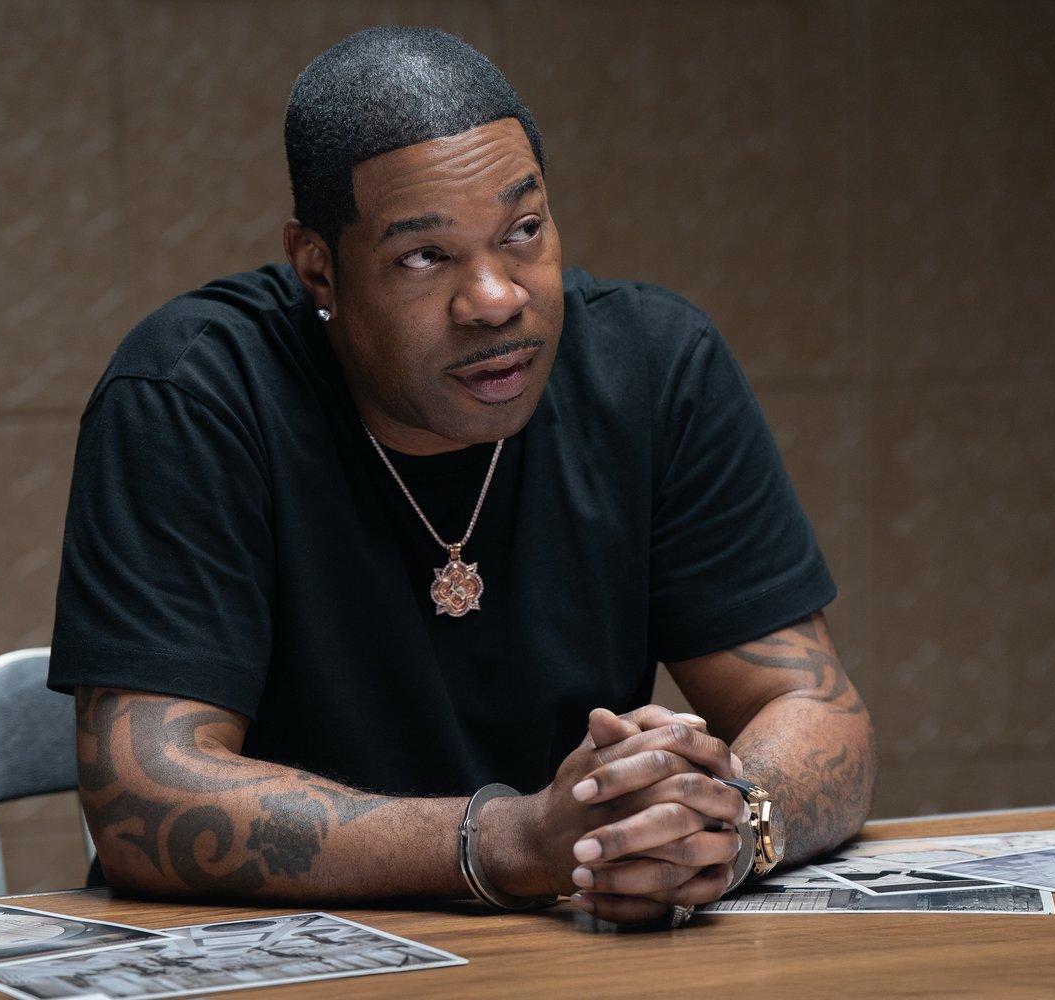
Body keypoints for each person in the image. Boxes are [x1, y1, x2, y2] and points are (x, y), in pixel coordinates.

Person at [49, 25, 875, 928]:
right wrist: (509, 841)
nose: (495, 298)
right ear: (318, 267)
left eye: (522, 231)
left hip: (567, 955)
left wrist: (728, 826)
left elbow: (813, 706)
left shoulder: (652, 367)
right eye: (423, 256)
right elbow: (143, 799)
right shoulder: (191, 394)